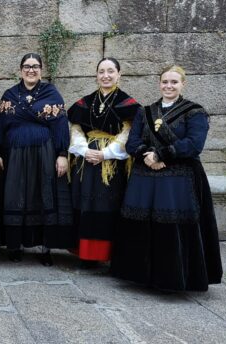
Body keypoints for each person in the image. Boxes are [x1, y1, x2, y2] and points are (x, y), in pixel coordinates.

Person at [111, 65, 223, 291]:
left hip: (178, 181)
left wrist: (162, 154)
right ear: (159, 83)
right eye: (165, 82)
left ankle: (172, 279)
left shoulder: (195, 112)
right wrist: (149, 156)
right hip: (145, 178)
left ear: (183, 84)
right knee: (143, 225)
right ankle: (142, 276)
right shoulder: (145, 111)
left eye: (174, 82)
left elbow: (194, 144)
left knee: (172, 227)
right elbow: (132, 143)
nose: (169, 86)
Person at [0, 53, 72, 266]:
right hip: (14, 156)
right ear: (20, 70)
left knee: (43, 194)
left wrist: (62, 154)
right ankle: (15, 246)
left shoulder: (51, 93)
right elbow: (0, 126)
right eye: (27, 66)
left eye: (35, 66)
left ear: (41, 70)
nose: (31, 70)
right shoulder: (10, 94)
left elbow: (60, 125)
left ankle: (45, 248)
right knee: (16, 195)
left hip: (43, 154)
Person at [66, 58, 142, 268]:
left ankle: (107, 254)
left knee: (108, 206)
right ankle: (86, 255)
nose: (105, 75)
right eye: (101, 71)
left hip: (112, 164)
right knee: (85, 204)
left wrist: (106, 154)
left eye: (110, 71)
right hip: (86, 162)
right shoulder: (86, 102)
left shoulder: (128, 104)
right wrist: (84, 150)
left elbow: (128, 132)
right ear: (96, 75)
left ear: (119, 74)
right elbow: (75, 128)